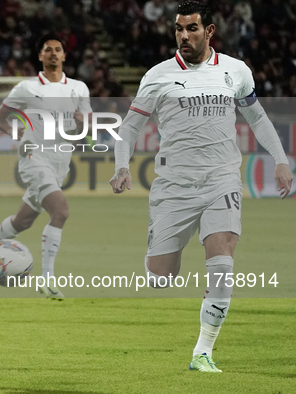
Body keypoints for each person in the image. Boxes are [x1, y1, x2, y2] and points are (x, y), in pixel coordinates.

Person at [109, 1, 293, 373]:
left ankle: (202, 352)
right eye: (179, 29)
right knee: (161, 276)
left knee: (222, 260)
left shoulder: (235, 71)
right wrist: (120, 165)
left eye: (191, 29)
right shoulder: (158, 76)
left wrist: (281, 160)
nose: (184, 36)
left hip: (222, 178)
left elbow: (257, 119)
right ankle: (158, 254)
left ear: (209, 31)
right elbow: (129, 128)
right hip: (174, 185)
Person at [0, 33, 92, 299]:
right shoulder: (26, 88)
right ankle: (46, 280)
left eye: (57, 49)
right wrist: (17, 135)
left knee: (23, 220)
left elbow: (86, 129)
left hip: (61, 162)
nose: (53, 53)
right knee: (60, 211)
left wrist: (83, 124)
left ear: (64, 55)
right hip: (34, 158)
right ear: (40, 56)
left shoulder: (79, 88)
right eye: (47, 49)